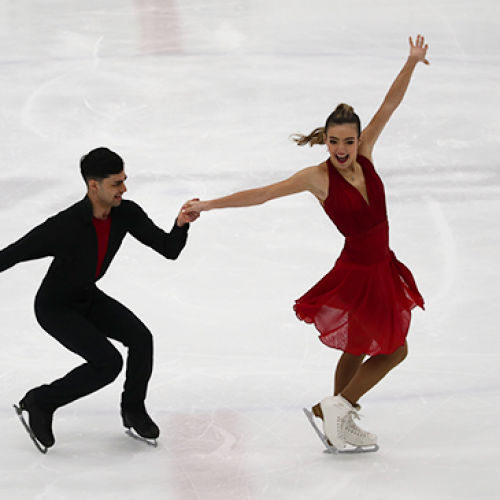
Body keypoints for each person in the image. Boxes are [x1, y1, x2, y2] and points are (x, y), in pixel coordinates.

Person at [184, 36, 429, 450]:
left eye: (348, 141)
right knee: (395, 351)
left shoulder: (366, 153)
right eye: (334, 141)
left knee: (355, 345)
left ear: (357, 139)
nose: (341, 149)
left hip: (380, 265)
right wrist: (207, 205)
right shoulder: (317, 178)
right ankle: (339, 407)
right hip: (359, 271)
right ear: (326, 140)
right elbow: (262, 194)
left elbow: (389, 104)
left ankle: (336, 420)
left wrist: (410, 62)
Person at [1, 147, 199, 450]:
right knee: (107, 363)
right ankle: (40, 401)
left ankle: (133, 409)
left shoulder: (126, 213)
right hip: (55, 306)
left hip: (86, 297)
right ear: (94, 185)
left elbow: (168, 248)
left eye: (124, 180)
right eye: (116, 183)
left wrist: (181, 224)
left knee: (141, 339)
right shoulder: (64, 225)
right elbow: (12, 254)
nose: (124, 188)